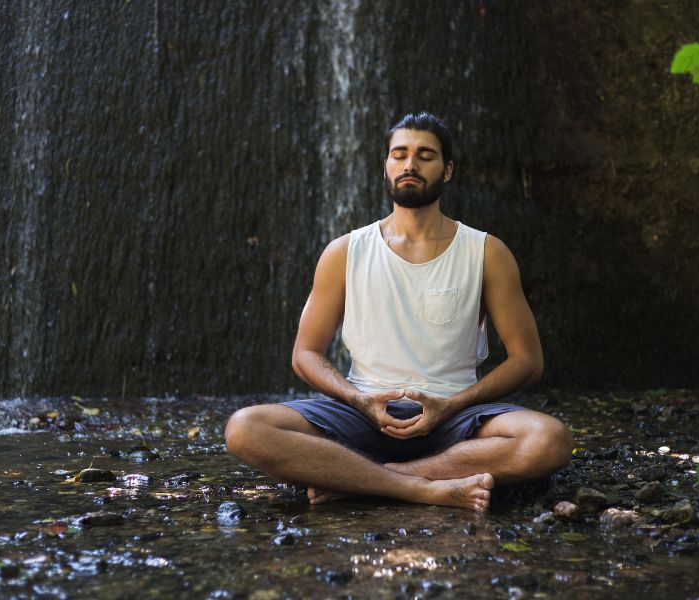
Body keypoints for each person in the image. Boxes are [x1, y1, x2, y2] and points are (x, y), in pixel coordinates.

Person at [225, 112, 572, 511]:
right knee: (245, 428)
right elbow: (305, 354)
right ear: (386, 166)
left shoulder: (487, 253)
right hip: (363, 413)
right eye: (400, 155)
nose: (410, 165)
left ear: (448, 170)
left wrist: (454, 404)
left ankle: (362, 480)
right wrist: (358, 401)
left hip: (456, 416)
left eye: (426, 155)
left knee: (549, 440)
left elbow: (528, 360)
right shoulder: (344, 252)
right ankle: (423, 488)